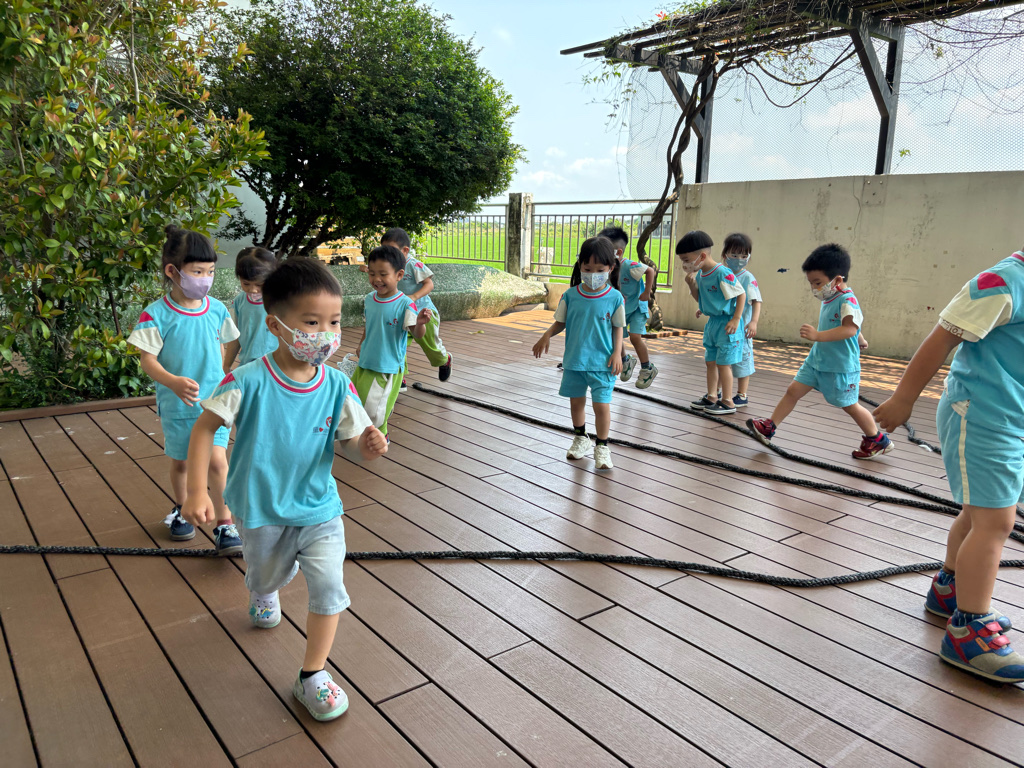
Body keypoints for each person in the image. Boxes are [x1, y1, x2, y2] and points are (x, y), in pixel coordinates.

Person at [183, 257, 389, 720]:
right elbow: (204, 428)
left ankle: (312, 674)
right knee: (265, 575)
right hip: (260, 507)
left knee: (330, 584)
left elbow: (353, 439)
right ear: (275, 325)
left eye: (334, 322)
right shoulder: (247, 380)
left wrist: (368, 445)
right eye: (312, 322)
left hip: (318, 507)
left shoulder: (338, 385)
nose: (326, 334)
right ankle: (263, 590)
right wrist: (197, 490)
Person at [873, 250, 1024, 683]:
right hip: (981, 415)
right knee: (996, 522)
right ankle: (968, 630)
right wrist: (903, 399)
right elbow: (941, 338)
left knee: (979, 513)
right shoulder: (1003, 283)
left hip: (1008, 418)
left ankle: (950, 590)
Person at [128, 225, 241, 554]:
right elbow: (147, 360)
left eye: (210, 271)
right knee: (181, 462)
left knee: (217, 461)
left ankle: (224, 521)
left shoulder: (217, 309)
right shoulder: (155, 314)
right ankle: (182, 509)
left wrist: (224, 375)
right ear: (172, 271)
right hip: (178, 406)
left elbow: (225, 345)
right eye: (197, 271)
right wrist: (173, 382)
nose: (205, 279)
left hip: (214, 404)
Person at [746, 243, 893, 459]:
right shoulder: (830, 297)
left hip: (839, 366)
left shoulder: (847, 300)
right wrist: (860, 339)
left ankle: (877, 439)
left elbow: (849, 328)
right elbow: (853, 326)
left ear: (837, 280)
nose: (814, 288)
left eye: (818, 283)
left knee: (849, 405)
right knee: (793, 391)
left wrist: (818, 336)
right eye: (811, 283)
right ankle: (769, 427)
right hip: (817, 360)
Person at [533, 236, 625, 470]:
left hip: (603, 364)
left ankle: (602, 446)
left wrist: (617, 353)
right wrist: (546, 335)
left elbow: (618, 327)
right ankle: (581, 437)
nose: (593, 274)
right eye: (588, 269)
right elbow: (560, 322)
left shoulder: (615, 298)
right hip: (575, 362)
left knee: (601, 405)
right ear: (580, 266)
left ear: (610, 268)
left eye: (600, 270)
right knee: (576, 403)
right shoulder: (570, 296)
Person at [352, 245, 430, 436]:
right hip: (366, 362)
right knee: (356, 400)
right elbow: (369, 325)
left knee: (375, 410)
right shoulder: (369, 299)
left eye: (383, 274)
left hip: (387, 366)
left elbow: (417, 333)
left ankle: (380, 436)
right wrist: (361, 343)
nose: (376, 279)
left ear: (399, 275)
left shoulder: (405, 304)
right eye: (372, 274)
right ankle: (370, 436)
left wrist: (420, 323)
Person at [678, 230, 746, 415]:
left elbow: (740, 294)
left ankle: (728, 401)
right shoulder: (701, 274)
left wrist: (736, 318)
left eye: (686, 259)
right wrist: (692, 286)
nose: (684, 264)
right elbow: (700, 298)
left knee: (724, 364)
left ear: (702, 256)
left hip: (727, 324)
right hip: (713, 324)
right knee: (711, 362)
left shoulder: (722, 272)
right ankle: (712, 396)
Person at [381, 228, 452, 391]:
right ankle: (399, 376)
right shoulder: (388, 266)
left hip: (423, 313)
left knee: (431, 346)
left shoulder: (413, 265)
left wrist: (414, 297)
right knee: (396, 343)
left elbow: (429, 284)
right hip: (401, 314)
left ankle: (444, 360)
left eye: (392, 250)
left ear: (405, 250)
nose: (387, 255)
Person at [598, 226, 659, 389]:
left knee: (635, 337)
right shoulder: (606, 268)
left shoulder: (629, 265)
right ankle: (626, 360)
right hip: (622, 308)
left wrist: (646, 292)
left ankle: (647, 368)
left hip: (637, 307)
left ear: (618, 252)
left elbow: (650, 271)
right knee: (614, 333)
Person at [223, 246, 279, 371]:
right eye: (246, 283)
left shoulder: (280, 301)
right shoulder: (239, 302)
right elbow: (235, 336)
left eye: (259, 284)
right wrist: (227, 365)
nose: (253, 290)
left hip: (277, 367)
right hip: (248, 366)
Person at [722, 233, 762, 408]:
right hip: (724, 326)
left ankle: (742, 394)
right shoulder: (723, 274)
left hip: (742, 329)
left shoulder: (748, 278)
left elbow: (756, 301)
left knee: (743, 360)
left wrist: (753, 322)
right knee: (723, 360)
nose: (739, 259)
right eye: (735, 255)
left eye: (744, 256)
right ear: (725, 254)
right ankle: (718, 392)